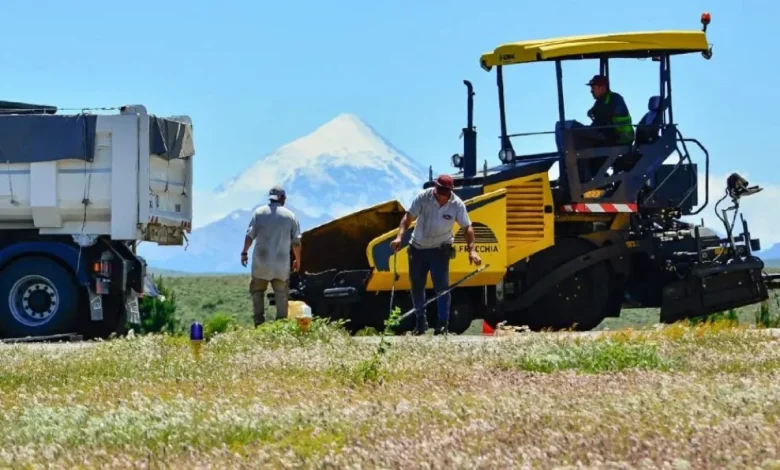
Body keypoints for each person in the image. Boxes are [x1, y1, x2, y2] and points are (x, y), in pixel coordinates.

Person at [389, 174, 481, 335]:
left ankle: (442, 325)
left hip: (439, 250)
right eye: (438, 191)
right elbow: (408, 218)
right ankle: (420, 323)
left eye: (444, 192)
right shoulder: (424, 197)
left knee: (442, 288)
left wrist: (472, 250)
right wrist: (399, 237)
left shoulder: (457, 205)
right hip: (417, 249)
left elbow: (467, 228)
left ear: (450, 191)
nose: (440, 195)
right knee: (417, 288)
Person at [241, 185, 302, 327]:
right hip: (281, 264)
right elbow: (296, 242)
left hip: (260, 262)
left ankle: (259, 323)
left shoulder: (259, 213)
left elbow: (249, 236)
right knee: (281, 294)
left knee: (257, 292)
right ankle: (280, 325)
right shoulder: (290, 216)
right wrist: (297, 259)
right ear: (282, 198)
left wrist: (244, 252)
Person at [573, 74, 634, 148]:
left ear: (602, 88)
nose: (591, 91)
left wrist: (594, 112)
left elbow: (605, 115)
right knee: (579, 135)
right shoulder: (600, 101)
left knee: (576, 128)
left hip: (621, 137)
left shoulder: (615, 98)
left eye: (594, 88)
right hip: (610, 135)